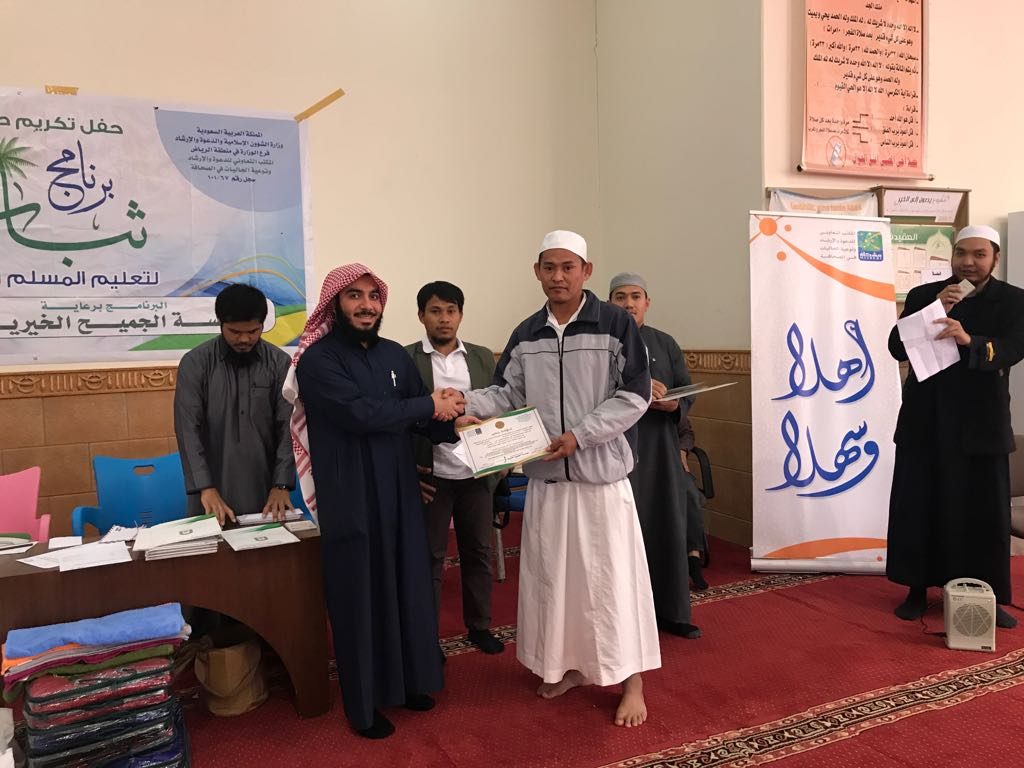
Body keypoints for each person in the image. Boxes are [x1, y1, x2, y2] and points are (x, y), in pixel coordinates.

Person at [457, 230, 660, 728]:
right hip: (548, 481)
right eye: (549, 267)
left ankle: (631, 682)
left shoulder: (614, 323)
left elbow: (635, 395)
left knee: (611, 584)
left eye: (569, 267)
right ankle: (567, 666)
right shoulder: (527, 333)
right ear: (537, 272)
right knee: (555, 584)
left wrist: (580, 436)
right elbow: (506, 394)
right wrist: (463, 404)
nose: (558, 276)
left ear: (586, 271)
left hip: (600, 482)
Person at [285, 263, 458, 739]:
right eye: (354, 296)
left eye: (373, 296)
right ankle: (363, 707)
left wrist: (454, 419)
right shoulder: (318, 361)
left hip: (399, 491)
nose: (366, 305)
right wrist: (430, 406)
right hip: (351, 496)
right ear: (335, 304)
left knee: (406, 585)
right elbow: (362, 414)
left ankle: (412, 682)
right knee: (360, 596)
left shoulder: (394, 355)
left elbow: (419, 416)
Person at [887, 225, 1024, 628]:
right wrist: (931, 311)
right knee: (919, 506)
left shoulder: (1014, 300)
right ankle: (917, 589)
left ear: (995, 258)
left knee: (984, 513)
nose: (968, 262)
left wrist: (970, 340)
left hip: (981, 422)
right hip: (926, 420)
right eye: (961, 253)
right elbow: (896, 347)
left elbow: (1013, 349)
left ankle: (988, 595)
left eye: (979, 254)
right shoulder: (923, 295)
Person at [405, 281, 505, 655]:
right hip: (432, 475)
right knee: (431, 557)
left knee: (478, 551)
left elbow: (499, 403)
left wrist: (502, 461)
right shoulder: (407, 359)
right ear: (421, 316)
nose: (444, 319)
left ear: (461, 315)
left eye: (451, 311)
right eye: (435, 311)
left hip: (477, 474)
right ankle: (427, 637)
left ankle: (479, 626)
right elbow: (403, 418)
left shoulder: (481, 358)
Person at [609, 273, 701, 637]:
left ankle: (672, 612)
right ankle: (623, 619)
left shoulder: (665, 342)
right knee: (621, 533)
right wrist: (636, 393)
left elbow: (685, 389)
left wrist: (675, 404)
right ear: (609, 304)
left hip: (660, 450)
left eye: (635, 296)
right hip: (618, 449)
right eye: (620, 297)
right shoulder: (601, 344)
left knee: (667, 526)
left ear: (647, 302)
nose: (628, 304)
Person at [174, 283, 294, 524]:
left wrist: (281, 484)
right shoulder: (195, 363)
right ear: (220, 323)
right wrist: (205, 487)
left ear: (263, 325)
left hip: (267, 491)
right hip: (210, 493)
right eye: (235, 331)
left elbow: (288, 427)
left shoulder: (280, 363)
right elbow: (188, 430)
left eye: (253, 331)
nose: (244, 339)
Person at [678, 413, 709, 591]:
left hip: (672, 463)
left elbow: (686, 433)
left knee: (689, 494)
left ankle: (693, 558)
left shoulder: (671, 405)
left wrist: (682, 451)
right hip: (641, 466)